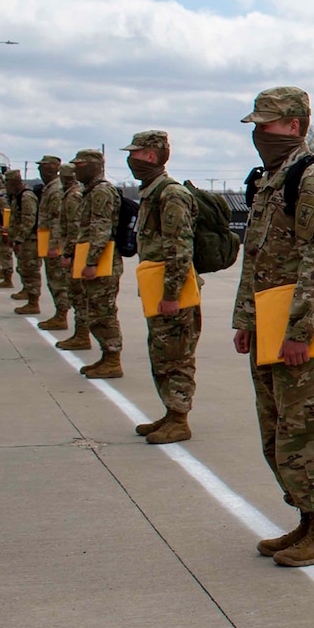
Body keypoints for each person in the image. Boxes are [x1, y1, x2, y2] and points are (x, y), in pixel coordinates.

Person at [233, 87, 314, 568]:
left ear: (297, 125)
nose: (260, 134)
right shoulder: (270, 181)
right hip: (270, 329)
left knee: (308, 433)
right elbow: (256, 259)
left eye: (269, 124)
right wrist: (246, 321)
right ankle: (306, 520)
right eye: (256, 125)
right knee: (278, 433)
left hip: (302, 336)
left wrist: (301, 332)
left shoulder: (313, 179)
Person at [123, 129, 204, 444]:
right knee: (161, 353)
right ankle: (171, 412)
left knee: (177, 355)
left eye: (135, 153)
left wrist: (171, 294)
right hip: (159, 289)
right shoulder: (151, 192)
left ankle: (180, 419)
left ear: (152, 156)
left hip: (175, 293)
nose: (131, 160)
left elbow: (179, 249)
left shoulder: (171, 194)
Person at [67, 148, 124, 379]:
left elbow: (101, 228)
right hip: (95, 259)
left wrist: (91, 262)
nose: (75, 170)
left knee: (103, 312)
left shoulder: (101, 191)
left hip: (102, 261)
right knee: (95, 311)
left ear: (94, 165)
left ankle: (112, 359)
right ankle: (106, 356)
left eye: (80, 165)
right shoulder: (89, 191)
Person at [55, 164, 91, 351]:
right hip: (78, 251)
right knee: (76, 294)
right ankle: (80, 334)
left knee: (79, 295)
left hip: (78, 253)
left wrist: (68, 252)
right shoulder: (72, 194)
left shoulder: (73, 196)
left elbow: (74, 228)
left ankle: (82, 335)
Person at [35, 155, 70, 332]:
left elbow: (57, 219)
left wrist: (54, 246)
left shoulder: (55, 190)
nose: (42, 171)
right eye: (41, 168)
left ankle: (61, 315)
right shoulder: (50, 188)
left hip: (54, 243)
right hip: (48, 239)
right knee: (53, 280)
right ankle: (59, 313)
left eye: (46, 168)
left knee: (58, 281)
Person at [2, 170, 41, 315]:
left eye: (7, 182)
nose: (6, 185)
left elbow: (28, 220)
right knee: (24, 269)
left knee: (31, 271)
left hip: (29, 241)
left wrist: (19, 238)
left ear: (14, 182)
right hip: (23, 240)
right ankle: (28, 294)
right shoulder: (17, 196)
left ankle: (33, 302)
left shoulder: (26, 196)